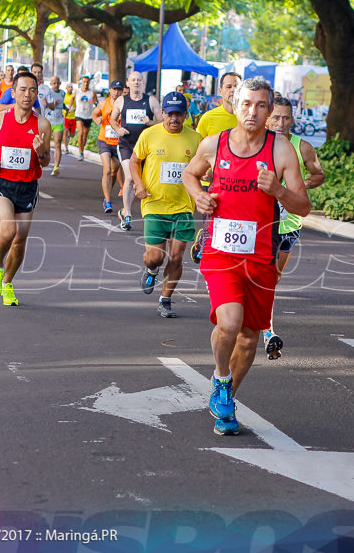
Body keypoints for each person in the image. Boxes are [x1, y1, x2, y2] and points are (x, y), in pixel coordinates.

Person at [181, 77, 310, 436]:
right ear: (235, 105)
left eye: (260, 105)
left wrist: (278, 189)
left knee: (250, 338)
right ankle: (222, 378)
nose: (252, 111)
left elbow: (304, 205)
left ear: (270, 111)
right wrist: (199, 196)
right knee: (230, 322)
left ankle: (226, 398)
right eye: (246, 104)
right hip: (221, 253)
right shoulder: (214, 144)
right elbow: (190, 175)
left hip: (261, 258)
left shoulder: (281, 151)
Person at [0, 70, 52, 306]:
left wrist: (40, 151)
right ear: (13, 92)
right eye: (22, 89)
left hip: (28, 186)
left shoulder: (42, 124)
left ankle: (8, 284)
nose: (27, 95)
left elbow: (45, 161)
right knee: (8, 231)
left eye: (32, 90)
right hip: (1, 183)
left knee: (20, 240)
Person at [262, 95, 326, 359]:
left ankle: (259, 317)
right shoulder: (258, 144)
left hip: (289, 221)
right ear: (267, 117)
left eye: (286, 117)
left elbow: (319, 174)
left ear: (293, 118)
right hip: (261, 221)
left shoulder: (303, 147)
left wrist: (296, 188)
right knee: (263, 274)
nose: (281, 122)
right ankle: (267, 329)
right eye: (276, 117)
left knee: (274, 276)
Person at [130, 91, 203, 318]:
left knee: (176, 257)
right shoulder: (150, 134)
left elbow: (202, 167)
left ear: (185, 114)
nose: (174, 119)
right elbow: (135, 161)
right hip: (154, 204)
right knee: (155, 257)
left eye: (178, 114)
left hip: (183, 206)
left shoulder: (195, 138)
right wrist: (139, 184)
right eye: (169, 114)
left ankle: (166, 299)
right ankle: (151, 269)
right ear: (162, 113)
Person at [190, 72, 241, 261]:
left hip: (240, 183)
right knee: (213, 227)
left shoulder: (247, 118)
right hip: (212, 183)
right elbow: (198, 151)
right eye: (228, 86)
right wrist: (203, 172)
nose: (233, 90)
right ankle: (205, 243)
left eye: (236, 86)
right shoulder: (209, 118)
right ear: (220, 91)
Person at [109, 71, 161, 231]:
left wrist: (150, 122)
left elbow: (161, 121)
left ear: (142, 82)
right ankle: (128, 215)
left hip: (145, 147)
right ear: (128, 83)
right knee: (130, 178)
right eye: (133, 80)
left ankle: (129, 211)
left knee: (146, 179)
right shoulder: (121, 100)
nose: (136, 82)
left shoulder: (151, 100)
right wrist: (117, 128)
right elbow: (112, 119)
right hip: (126, 145)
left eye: (139, 80)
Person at [93, 81, 123, 213]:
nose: (116, 92)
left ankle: (108, 193)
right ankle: (108, 201)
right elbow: (94, 113)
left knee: (113, 172)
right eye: (114, 89)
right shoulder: (103, 103)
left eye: (119, 90)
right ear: (110, 90)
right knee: (107, 169)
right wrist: (97, 119)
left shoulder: (124, 104)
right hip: (104, 140)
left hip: (118, 142)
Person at [44, 76, 66, 176]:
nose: (56, 85)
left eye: (57, 83)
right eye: (54, 83)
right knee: (45, 143)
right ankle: (42, 161)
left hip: (59, 121)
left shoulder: (62, 93)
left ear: (60, 83)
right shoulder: (48, 92)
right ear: (51, 84)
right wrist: (51, 104)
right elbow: (44, 103)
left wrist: (66, 108)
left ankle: (56, 167)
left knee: (57, 143)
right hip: (48, 121)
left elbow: (62, 104)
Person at [73, 76, 96, 159]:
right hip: (79, 115)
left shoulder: (92, 92)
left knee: (85, 136)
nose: (85, 84)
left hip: (88, 115)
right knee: (81, 133)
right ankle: (80, 152)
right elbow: (72, 98)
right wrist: (71, 108)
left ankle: (82, 150)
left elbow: (95, 102)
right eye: (84, 82)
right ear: (81, 83)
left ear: (89, 83)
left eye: (87, 82)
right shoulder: (77, 91)